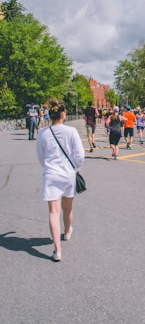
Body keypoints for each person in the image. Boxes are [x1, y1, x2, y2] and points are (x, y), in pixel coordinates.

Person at [36, 99, 85, 262]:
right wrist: (75, 167)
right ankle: (67, 231)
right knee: (67, 209)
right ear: (63, 114)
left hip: (51, 174)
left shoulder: (43, 133)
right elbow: (80, 155)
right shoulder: (71, 132)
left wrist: (49, 167)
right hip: (68, 174)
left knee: (53, 212)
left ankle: (57, 250)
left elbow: (41, 158)